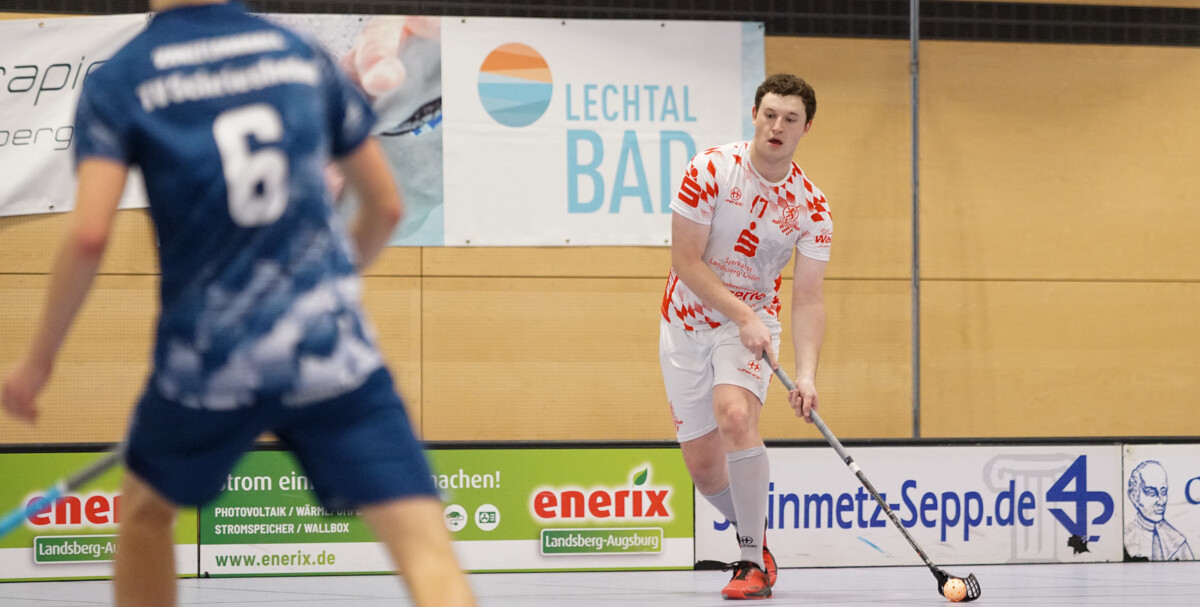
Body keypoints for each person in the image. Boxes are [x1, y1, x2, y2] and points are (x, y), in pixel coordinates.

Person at [0, 1, 475, 605]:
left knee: (145, 514)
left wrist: (37, 361)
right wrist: (328, 288)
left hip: (208, 363)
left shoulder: (123, 77)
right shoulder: (299, 54)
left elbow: (89, 236)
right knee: (425, 551)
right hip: (328, 350)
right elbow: (386, 208)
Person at [659, 73, 831, 600]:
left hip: (753, 324)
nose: (777, 126)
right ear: (754, 114)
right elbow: (685, 261)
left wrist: (804, 374)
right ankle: (756, 536)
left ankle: (750, 562)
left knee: (735, 413)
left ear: (806, 128)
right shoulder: (710, 169)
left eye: (790, 119)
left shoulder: (812, 207)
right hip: (686, 322)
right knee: (705, 468)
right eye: (769, 114)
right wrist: (740, 313)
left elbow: (808, 299)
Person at [1124, 460, 1194, 561]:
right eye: (1152, 493)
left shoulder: (1178, 542)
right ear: (1134, 496)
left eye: (1163, 492)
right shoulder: (1125, 538)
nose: (1161, 501)